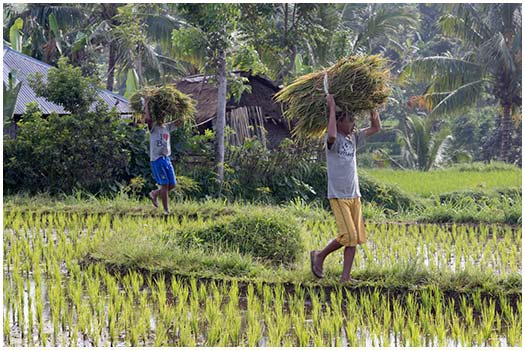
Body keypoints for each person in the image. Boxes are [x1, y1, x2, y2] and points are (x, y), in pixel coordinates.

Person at [310, 94, 381, 283]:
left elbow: (376, 127)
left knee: (355, 238)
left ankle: (345, 277)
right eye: (349, 120)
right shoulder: (332, 140)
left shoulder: (353, 139)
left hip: (354, 194)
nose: (353, 124)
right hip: (339, 195)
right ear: (340, 121)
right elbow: (332, 134)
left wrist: (372, 105)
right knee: (348, 235)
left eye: (353, 120)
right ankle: (320, 255)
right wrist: (332, 109)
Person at [143, 97, 178, 215]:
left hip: (166, 159)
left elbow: (180, 121)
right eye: (160, 114)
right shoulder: (153, 127)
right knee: (164, 184)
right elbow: (147, 118)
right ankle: (166, 210)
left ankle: (154, 193)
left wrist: (180, 108)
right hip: (157, 159)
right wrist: (147, 103)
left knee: (172, 184)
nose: (162, 116)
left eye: (164, 114)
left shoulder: (167, 127)